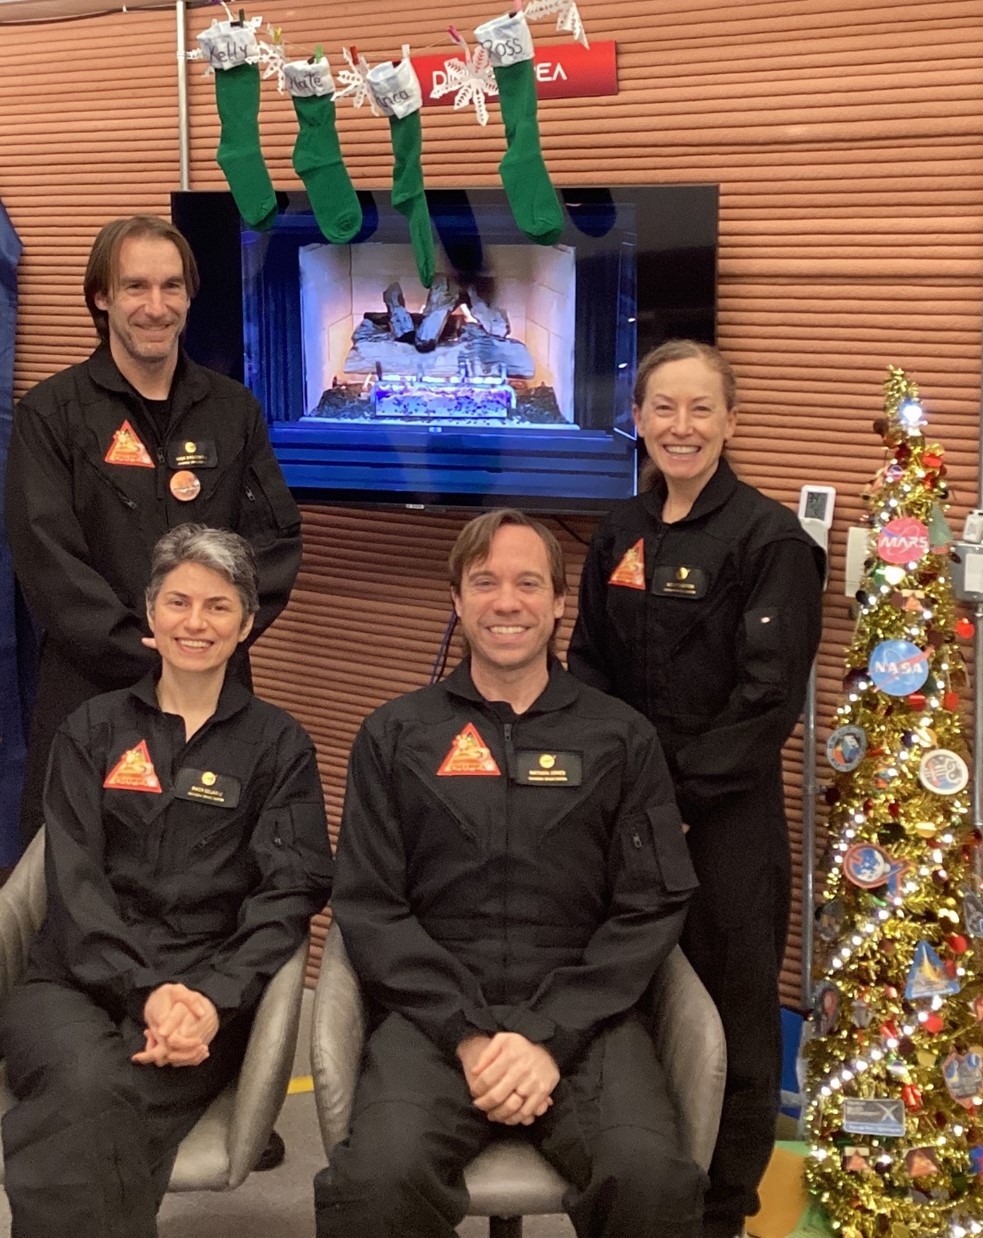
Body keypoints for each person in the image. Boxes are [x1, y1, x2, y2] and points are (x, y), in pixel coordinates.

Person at [314, 509, 704, 1238]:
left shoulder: (620, 736)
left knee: (648, 1180)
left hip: (586, 1013)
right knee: (375, 1181)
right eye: (484, 582)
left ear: (558, 602)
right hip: (433, 1015)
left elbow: (649, 907)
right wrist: (468, 1035)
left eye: (528, 583)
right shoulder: (394, 734)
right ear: (456, 600)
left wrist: (546, 1035)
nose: (506, 602)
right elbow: (368, 904)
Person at [0, 524, 332, 1238]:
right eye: (178, 602)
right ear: (150, 614)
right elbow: (75, 881)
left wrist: (212, 1000)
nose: (195, 622)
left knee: (83, 1103)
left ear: (246, 624)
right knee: (91, 1084)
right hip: (70, 981)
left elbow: (289, 892)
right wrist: (141, 989)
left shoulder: (280, 746)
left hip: (204, 996)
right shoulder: (91, 729)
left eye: (217, 606)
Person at [567, 339, 826, 1238]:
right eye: (662, 408)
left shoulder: (770, 542)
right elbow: (588, 666)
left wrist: (671, 796)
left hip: (724, 821)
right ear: (636, 419)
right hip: (625, 813)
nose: (680, 427)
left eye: (700, 409)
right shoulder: (616, 530)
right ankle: (635, 1179)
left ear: (729, 421)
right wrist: (623, 794)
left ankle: (723, 1207)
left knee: (734, 1017)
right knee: (626, 999)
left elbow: (766, 704)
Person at [4, 214, 302, 844]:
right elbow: (46, 559)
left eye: (172, 287)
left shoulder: (233, 410)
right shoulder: (50, 415)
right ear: (101, 297)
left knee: (215, 867)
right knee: (76, 877)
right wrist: (148, 651)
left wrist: (208, 635)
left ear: (190, 297)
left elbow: (273, 543)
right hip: (89, 691)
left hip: (213, 688)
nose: (156, 306)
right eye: (136, 287)